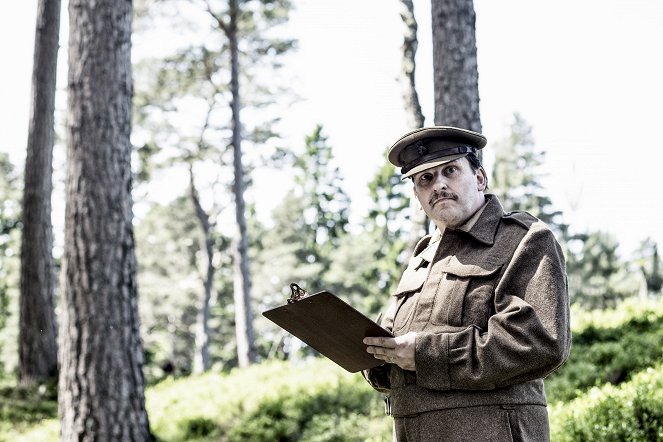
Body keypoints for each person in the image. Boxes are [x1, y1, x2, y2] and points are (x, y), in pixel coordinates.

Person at [362, 126, 571, 442]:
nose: (439, 185)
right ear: (417, 197)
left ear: (479, 178)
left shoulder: (523, 238)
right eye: (425, 179)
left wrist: (425, 355)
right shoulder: (421, 257)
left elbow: (537, 343)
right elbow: (393, 346)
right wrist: (371, 357)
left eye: (449, 170)